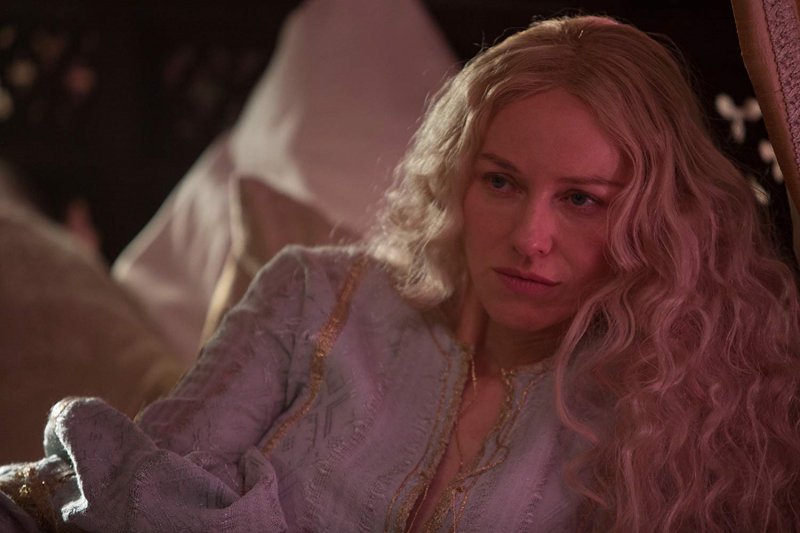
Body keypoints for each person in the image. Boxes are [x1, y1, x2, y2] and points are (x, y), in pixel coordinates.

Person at [2, 14, 799, 532]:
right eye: (501, 181)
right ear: (457, 178)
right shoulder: (310, 297)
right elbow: (137, 489)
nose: (531, 238)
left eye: (582, 199)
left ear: (654, 220)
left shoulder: (673, 401)